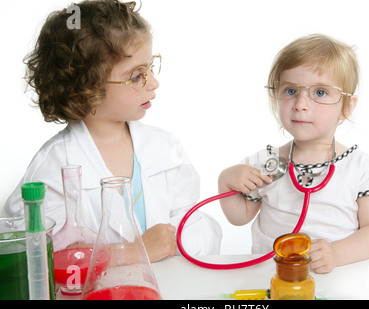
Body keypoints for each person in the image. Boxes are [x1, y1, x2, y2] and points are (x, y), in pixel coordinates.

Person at [1, 0, 221, 262]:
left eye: (150, 67)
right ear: (87, 87)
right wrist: (134, 252)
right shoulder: (53, 168)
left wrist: (185, 239)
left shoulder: (165, 148)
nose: (154, 82)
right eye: (137, 75)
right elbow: (35, 258)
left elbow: (196, 227)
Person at [218, 34, 369, 273]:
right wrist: (226, 183)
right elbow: (239, 217)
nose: (300, 103)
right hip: (272, 277)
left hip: (335, 277)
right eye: (291, 90)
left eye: (320, 92)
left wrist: (337, 253)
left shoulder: (362, 168)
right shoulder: (266, 163)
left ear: (346, 107)